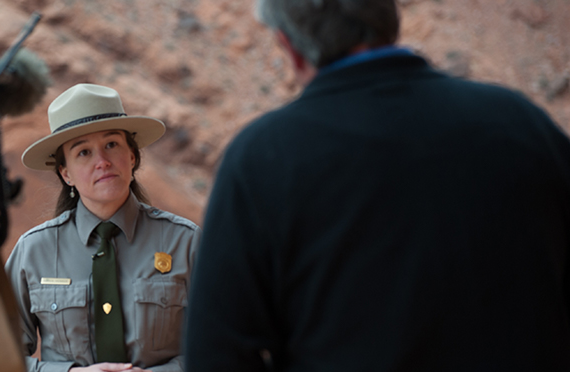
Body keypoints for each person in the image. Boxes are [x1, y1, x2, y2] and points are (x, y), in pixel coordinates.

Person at [185, 0, 570, 371]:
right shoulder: (522, 124)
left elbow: (216, 352)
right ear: (390, 19)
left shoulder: (264, 157)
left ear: (290, 46)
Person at [5, 83, 200, 372]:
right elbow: (0, 358)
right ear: (66, 173)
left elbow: (222, 345)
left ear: (132, 156)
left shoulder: (185, 243)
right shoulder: (33, 252)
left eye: (111, 144)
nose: (103, 162)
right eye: (83, 152)